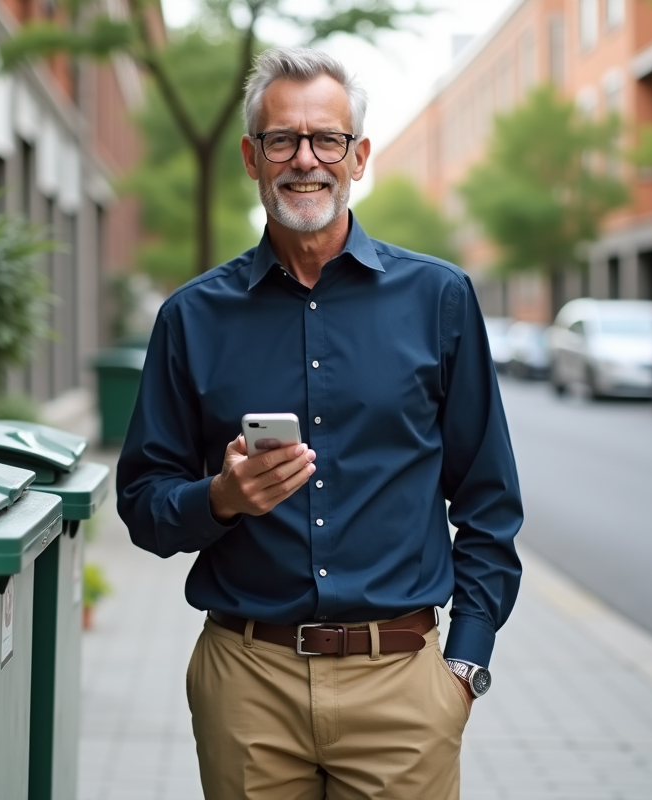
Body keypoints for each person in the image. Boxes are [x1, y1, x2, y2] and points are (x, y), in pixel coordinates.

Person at [116, 46, 523, 800]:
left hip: (402, 687)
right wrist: (220, 499)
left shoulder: (439, 300)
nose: (305, 159)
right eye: (282, 140)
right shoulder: (192, 318)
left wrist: (463, 666)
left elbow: (490, 503)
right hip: (248, 685)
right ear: (251, 156)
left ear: (358, 155)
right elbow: (142, 502)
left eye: (326, 139)